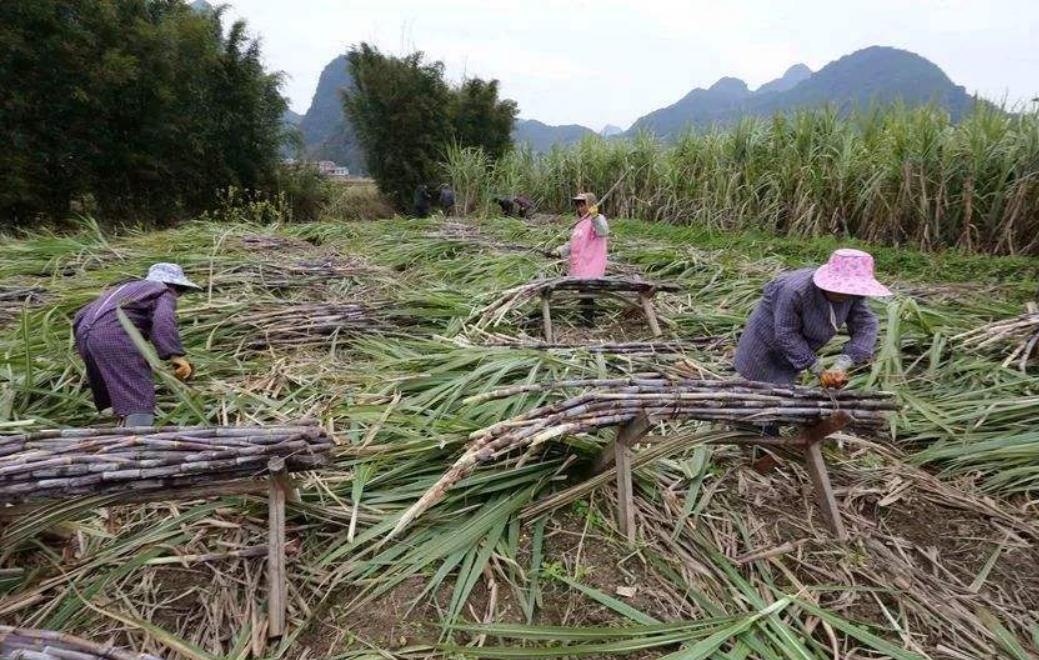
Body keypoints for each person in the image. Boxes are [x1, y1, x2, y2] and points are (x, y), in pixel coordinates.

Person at [734, 248, 891, 389]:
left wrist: (842, 365)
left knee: (781, 387)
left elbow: (865, 325)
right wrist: (817, 368)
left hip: (799, 346)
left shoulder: (853, 294)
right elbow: (786, 333)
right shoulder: (795, 291)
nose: (844, 295)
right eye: (839, 290)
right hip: (765, 341)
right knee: (756, 387)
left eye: (848, 292)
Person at [73, 263, 201, 427]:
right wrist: (175, 355)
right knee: (138, 395)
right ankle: (136, 445)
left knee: (113, 393)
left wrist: (89, 343)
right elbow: (163, 320)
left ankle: (115, 428)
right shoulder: (161, 290)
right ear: (173, 285)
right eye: (181, 291)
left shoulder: (120, 291)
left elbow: (79, 316)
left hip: (85, 336)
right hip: (115, 337)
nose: (178, 295)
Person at [554, 192, 609, 325]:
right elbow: (572, 243)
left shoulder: (597, 219)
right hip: (579, 265)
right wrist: (558, 251)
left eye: (583, 205)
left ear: (591, 205)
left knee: (588, 292)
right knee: (583, 292)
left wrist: (595, 215)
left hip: (591, 264)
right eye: (578, 205)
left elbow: (603, 231)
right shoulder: (580, 223)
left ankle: (588, 321)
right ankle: (587, 315)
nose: (580, 208)